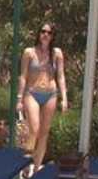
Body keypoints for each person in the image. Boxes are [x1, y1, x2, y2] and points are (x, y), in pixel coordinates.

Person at [18, 22, 67, 170]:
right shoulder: (29, 52)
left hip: (51, 94)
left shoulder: (57, 53)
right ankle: (25, 164)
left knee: (44, 133)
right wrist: (19, 98)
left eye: (49, 32)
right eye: (43, 31)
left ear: (53, 36)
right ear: (39, 34)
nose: (46, 35)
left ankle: (36, 169)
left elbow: (61, 76)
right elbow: (23, 76)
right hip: (32, 93)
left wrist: (64, 98)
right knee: (34, 129)